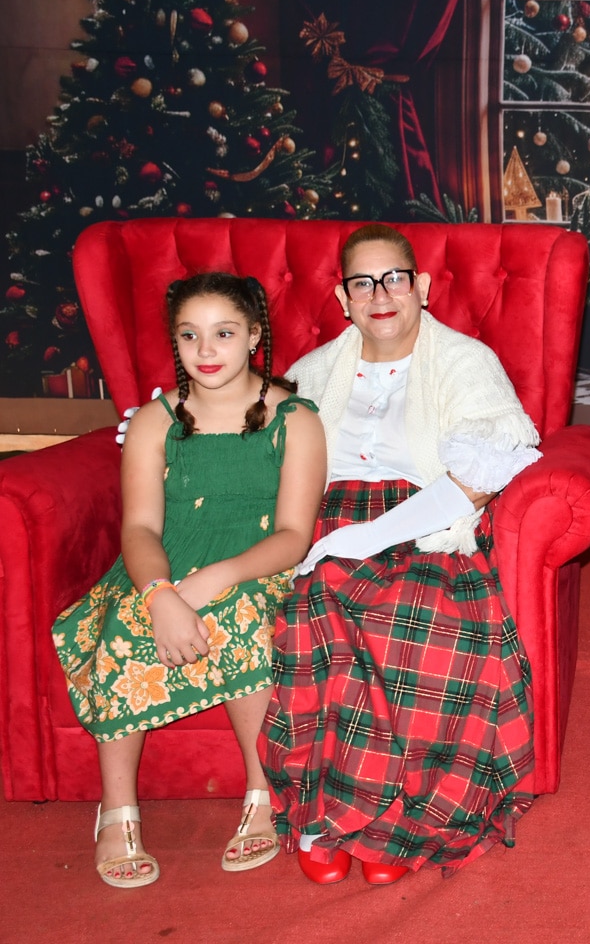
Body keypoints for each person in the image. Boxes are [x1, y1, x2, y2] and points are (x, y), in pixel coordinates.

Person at [259, 223, 544, 885]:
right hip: (326, 513)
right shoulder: (312, 373)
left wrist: (362, 540)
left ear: (423, 287)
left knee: (408, 609)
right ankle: (326, 815)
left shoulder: (466, 361)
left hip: (428, 521)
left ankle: (387, 819)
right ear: (343, 298)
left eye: (395, 278)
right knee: (315, 595)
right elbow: (252, 434)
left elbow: (480, 476)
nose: (380, 294)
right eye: (363, 283)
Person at [53, 273, 326, 889]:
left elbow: (293, 535)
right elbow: (140, 528)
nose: (205, 350)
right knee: (124, 624)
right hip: (163, 564)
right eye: (189, 336)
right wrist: (159, 594)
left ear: (253, 336)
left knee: (242, 613)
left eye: (223, 334)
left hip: (257, 563)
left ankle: (263, 791)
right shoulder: (156, 421)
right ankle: (116, 810)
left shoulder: (295, 420)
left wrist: (214, 580)